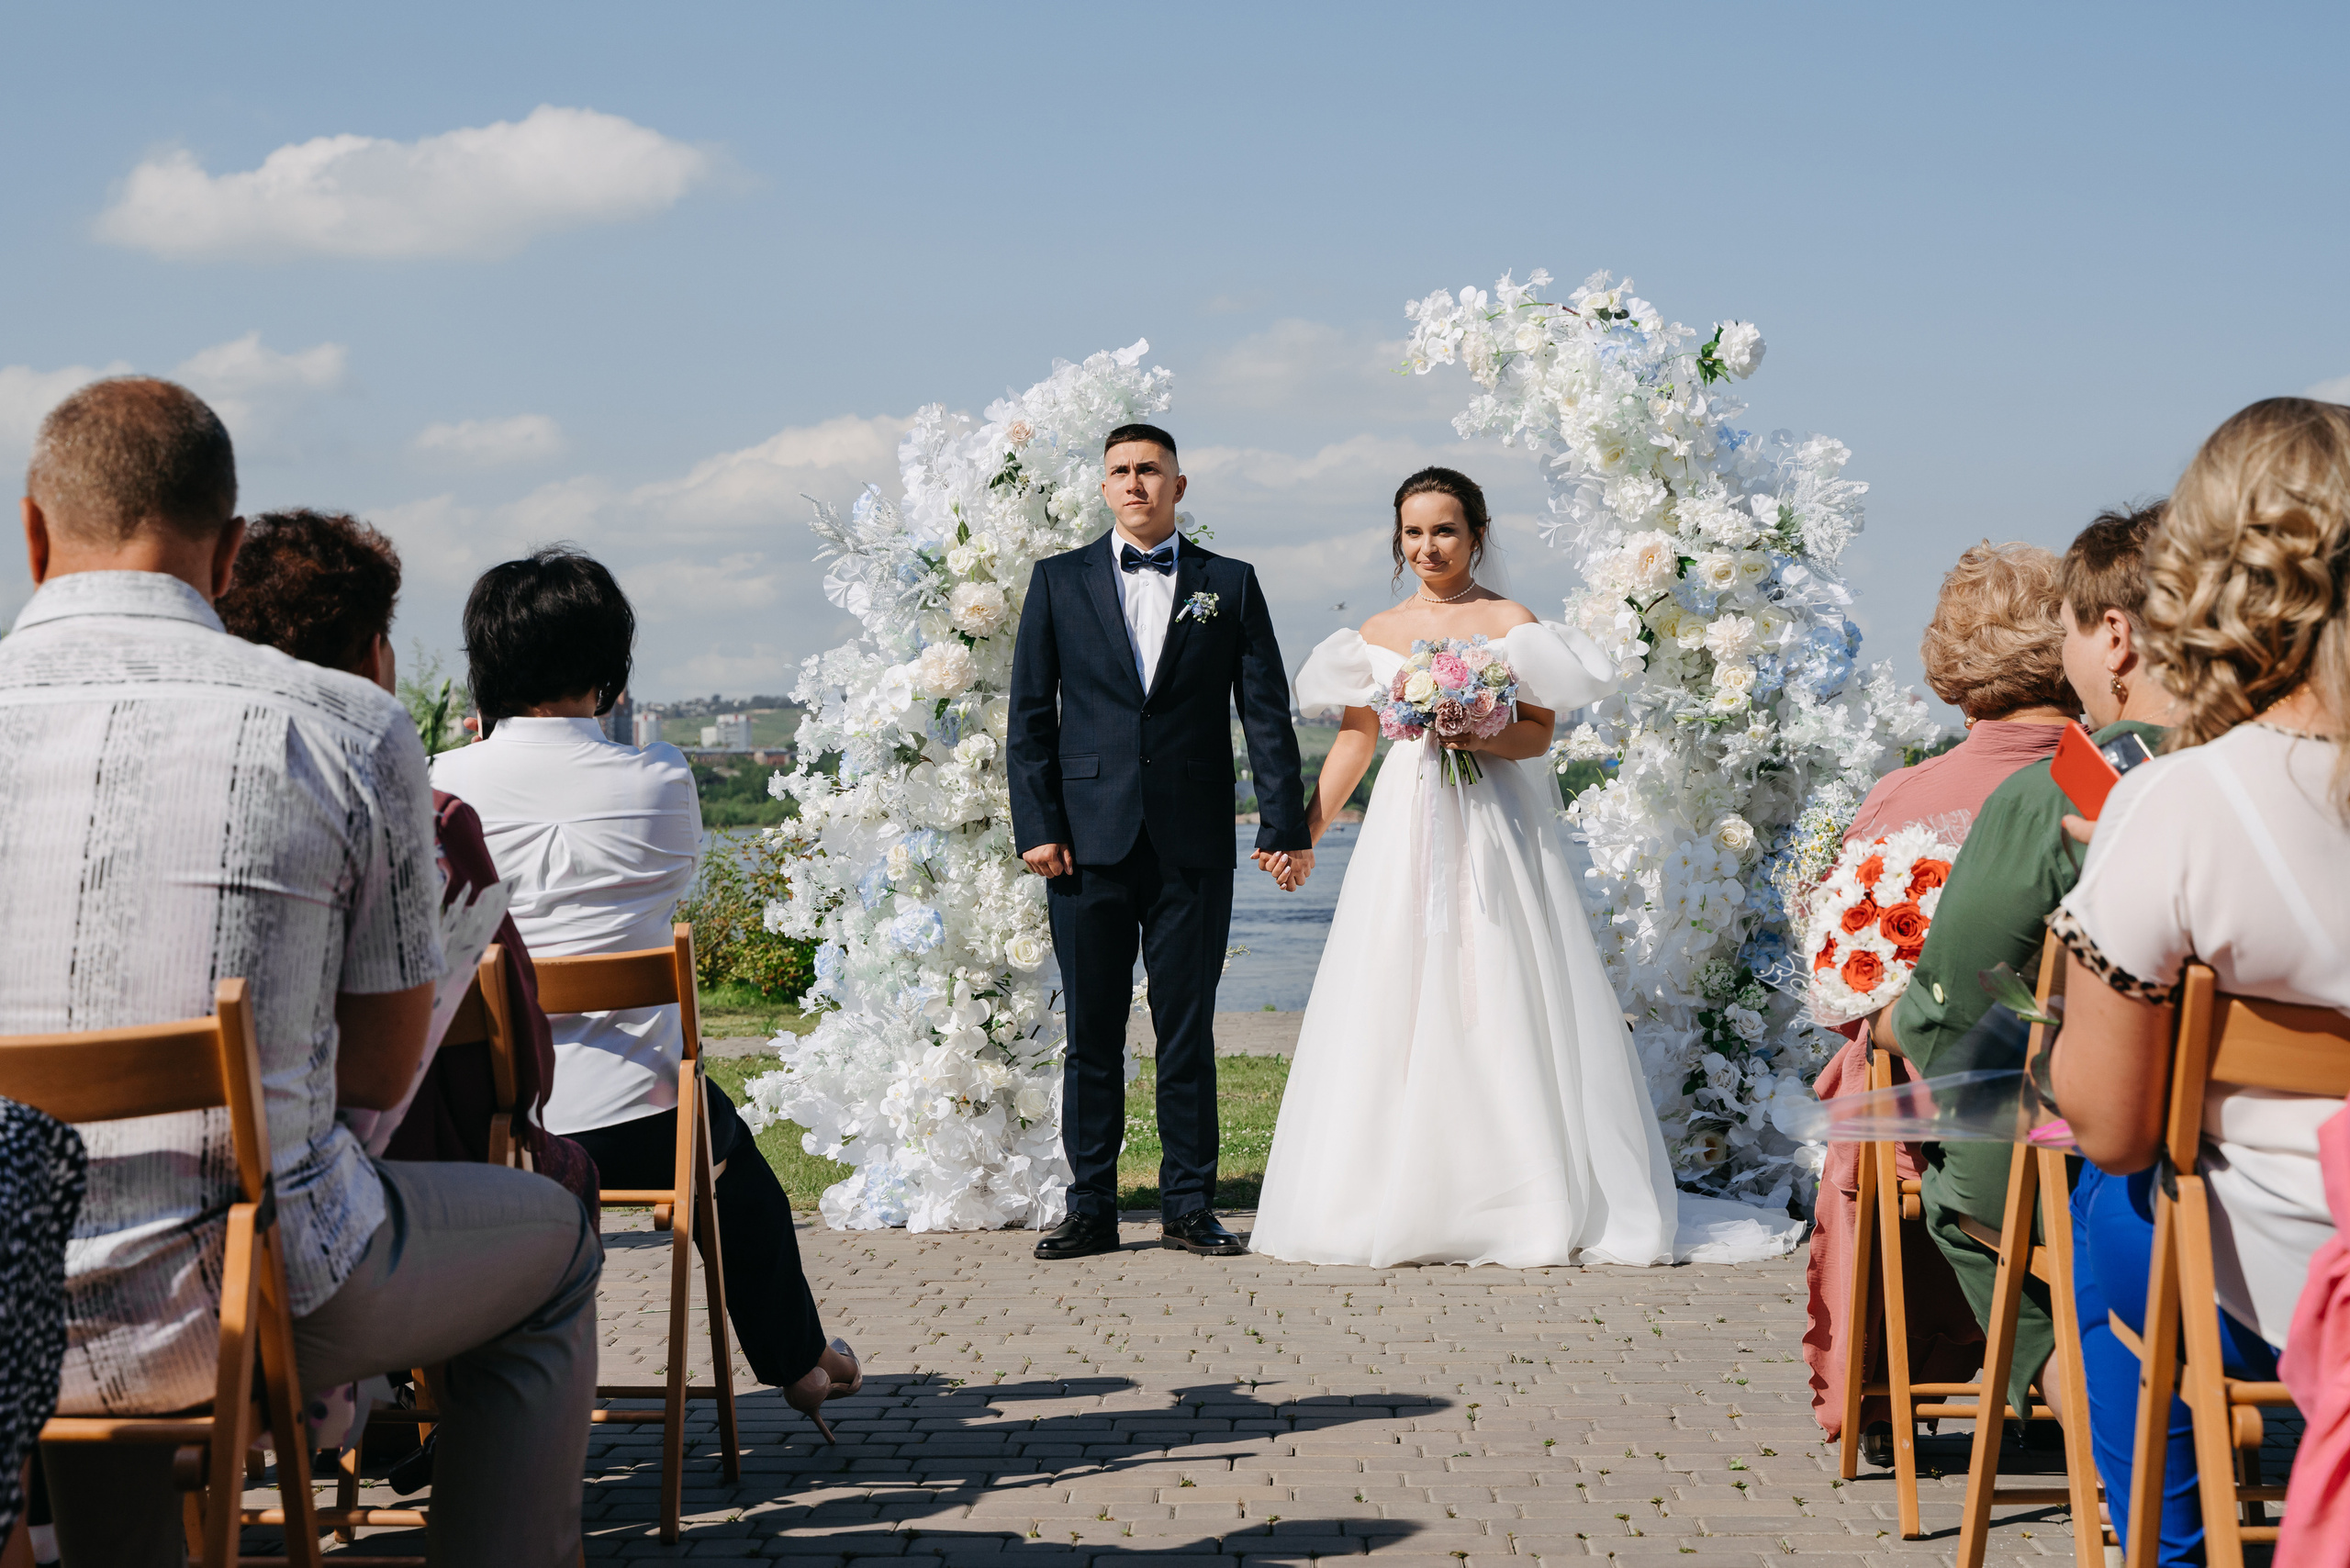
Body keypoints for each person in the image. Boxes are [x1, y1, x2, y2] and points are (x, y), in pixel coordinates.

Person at [0, 378, 601, 1566]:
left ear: (30, 533)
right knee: (556, 1247)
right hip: (246, 1289)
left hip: (11, 1291)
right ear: (226, 556)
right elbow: (380, 1065)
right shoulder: (340, 727)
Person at [1245, 467, 1794, 1268]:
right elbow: (1359, 741)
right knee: (1396, 977)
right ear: (1397, 541)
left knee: (1499, 972)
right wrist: (1305, 831)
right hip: (1406, 821)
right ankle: (1387, 1189)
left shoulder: (1512, 623)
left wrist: (1479, 734)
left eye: (1444, 530)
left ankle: (1524, 1188)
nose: (1428, 546)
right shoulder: (1375, 631)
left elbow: (1538, 733)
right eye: (1413, 532)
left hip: (1493, 820)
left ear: (1476, 534)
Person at [429, 547, 859, 1431]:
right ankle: (798, 1360)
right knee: (729, 1161)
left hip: (491, 1128)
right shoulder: (662, 778)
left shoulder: (439, 782)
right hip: (641, 1127)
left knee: (726, 1147)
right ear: (607, 667)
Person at [2051, 398, 2350, 1565]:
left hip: (2291, 1260)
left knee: (2109, 1204)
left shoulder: (2184, 800)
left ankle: (2168, 1553)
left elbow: (2116, 1125)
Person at [1867, 511, 2171, 1457]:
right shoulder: (2261, 776)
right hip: (2257, 1145)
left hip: (2086, 1138)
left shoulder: (2057, 793)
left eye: (2072, 629)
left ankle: (2113, 1434)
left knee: (1957, 1176)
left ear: (2112, 638)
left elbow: (1960, 994)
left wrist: (1888, 1026)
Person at [214, 508, 598, 1204]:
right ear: (371, 659)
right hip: (380, 1197)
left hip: (192, 1207)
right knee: (568, 1212)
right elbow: (519, 1062)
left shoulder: (195, 813)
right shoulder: (428, 830)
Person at [1802, 539, 2085, 1459]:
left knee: (1865, 1066)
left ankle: (1901, 1375)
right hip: (2110, 1098)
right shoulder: (2128, 790)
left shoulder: (1904, 800)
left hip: (1958, 1115)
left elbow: (1847, 993)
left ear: (1954, 667)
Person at [1007, 423, 1309, 1260]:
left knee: (1187, 1029)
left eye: (1150, 471)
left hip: (1193, 841)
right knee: (1093, 1035)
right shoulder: (1058, 582)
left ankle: (1187, 1205)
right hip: (1083, 847)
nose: (1135, 483)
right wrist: (1038, 827)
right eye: (1121, 472)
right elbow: (1030, 718)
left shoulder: (1230, 585)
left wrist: (1283, 823)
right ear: (1103, 488)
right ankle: (1091, 1207)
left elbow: (1266, 717)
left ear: (1181, 484)